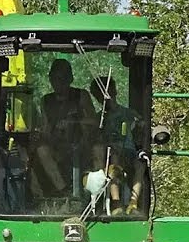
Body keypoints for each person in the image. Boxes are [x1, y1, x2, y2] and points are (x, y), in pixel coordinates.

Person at [31, 58, 98, 196]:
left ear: (70, 79)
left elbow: (94, 122)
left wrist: (73, 122)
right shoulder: (46, 101)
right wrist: (39, 135)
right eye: (54, 78)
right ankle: (63, 191)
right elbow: (46, 128)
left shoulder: (81, 96)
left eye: (61, 78)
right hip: (57, 146)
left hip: (81, 145)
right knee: (41, 150)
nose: (57, 82)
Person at [90, 76, 144, 214]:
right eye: (101, 96)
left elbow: (142, 124)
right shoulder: (99, 119)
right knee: (113, 159)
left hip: (129, 153)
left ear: (115, 91)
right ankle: (116, 203)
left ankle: (133, 203)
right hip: (110, 156)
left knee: (140, 164)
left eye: (109, 92)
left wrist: (140, 124)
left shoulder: (128, 113)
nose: (107, 98)